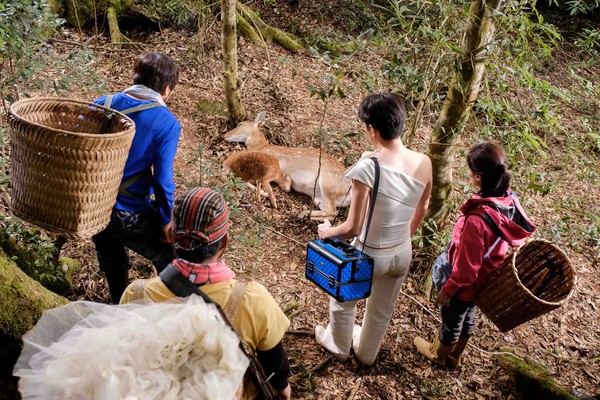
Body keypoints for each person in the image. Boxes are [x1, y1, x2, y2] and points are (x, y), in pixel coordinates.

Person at [121, 187, 292, 400]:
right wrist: (283, 389)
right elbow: (276, 367)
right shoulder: (251, 300)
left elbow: (126, 361)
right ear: (225, 242)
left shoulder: (136, 294)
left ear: (172, 235)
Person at [315, 92, 432, 366]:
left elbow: (353, 228)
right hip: (402, 252)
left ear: (372, 129)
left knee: (343, 303)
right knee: (381, 310)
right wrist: (405, 237)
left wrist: (327, 231)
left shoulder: (367, 169)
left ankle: (339, 346)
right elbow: (423, 207)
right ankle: (367, 355)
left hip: (370, 254)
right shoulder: (424, 161)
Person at [413, 142, 536, 368]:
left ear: (478, 177)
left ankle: (439, 355)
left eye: (469, 169)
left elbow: (465, 271)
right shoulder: (507, 201)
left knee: (452, 318)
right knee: (467, 315)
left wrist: (447, 292)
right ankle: (455, 356)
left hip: (464, 285)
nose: (467, 173)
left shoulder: (477, 220)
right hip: (484, 281)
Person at [92, 52, 181, 303]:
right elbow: (162, 180)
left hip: (92, 206)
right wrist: (166, 220)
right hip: (125, 211)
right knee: (169, 255)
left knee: (112, 257)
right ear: (166, 89)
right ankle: (172, 311)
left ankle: (118, 305)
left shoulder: (102, 102)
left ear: (135, 77)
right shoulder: (166, 123)